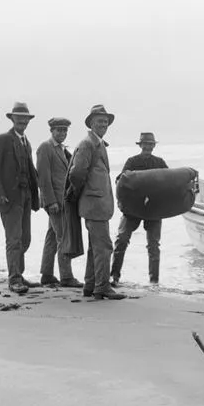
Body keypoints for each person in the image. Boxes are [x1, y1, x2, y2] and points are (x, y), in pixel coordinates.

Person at [66, 104, 126, 300]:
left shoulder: (97, 143)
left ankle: (91, 285)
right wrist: (81, 192)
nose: (103, 124)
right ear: (91, 122)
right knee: (104, 247)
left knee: (96, 247)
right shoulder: (88, 144)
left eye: (106, 121)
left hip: (96, 205)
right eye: (100, 121)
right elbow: (76, 173)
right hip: (94, 205)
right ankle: (102, 286)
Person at [0, 101, 41, 295]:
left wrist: (42, 191)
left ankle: (19, 273)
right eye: (19, 118)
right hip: (9, 199)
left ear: (28, 121)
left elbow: (32, 171)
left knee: (25, 239)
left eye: (25, 118)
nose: (22, 121)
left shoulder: (27, 142)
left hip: (25, 197)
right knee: (14, 240)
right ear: (12, 119)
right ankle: (14, 279)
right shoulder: (2, 140)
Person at [111, 132, 168, 287]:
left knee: (154, 245)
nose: (148, 146)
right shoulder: (132, 161)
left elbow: (170, 181)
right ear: (140, 145)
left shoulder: (160, 162)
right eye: (146, 144)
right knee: (121, 240)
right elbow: (120, 180)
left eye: (151, 144)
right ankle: (114, 276)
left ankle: (154, 281)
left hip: (154, 209)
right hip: (132, 208)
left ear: (154, 146)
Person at [36, 117, 84, 288]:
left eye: (65, 130)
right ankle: (66, 277)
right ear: (52, 131)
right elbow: (43, 177)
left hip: (61, 201)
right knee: (63, 237)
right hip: (54, 202)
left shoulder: (62, 150)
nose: (62, 133)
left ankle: (47, 274)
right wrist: (50, 202)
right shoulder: (45, 148)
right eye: (59, 130)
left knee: (52, 237)